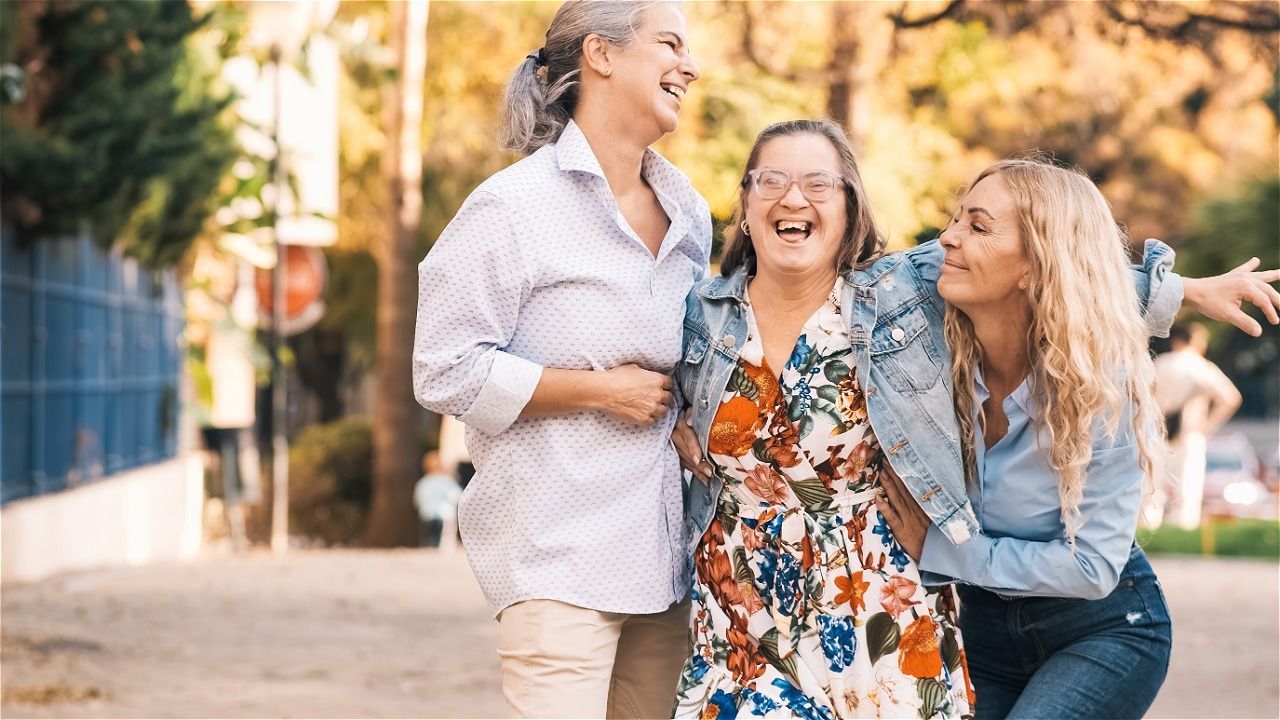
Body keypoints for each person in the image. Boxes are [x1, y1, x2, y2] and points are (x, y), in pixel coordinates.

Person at [671, 122, 1280, 719]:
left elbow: (1072, 263)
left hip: (1087, 623)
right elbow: (643, 363)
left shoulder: (1086, 380)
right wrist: (671, 415)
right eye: (770, 179)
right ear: (745, 201)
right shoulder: (928, 336)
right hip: (944, 620)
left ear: (852, 209)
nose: (948, 238)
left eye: (818, 183)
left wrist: (1184, 291)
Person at [872, 158, 1275, 719]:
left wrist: (940, 549)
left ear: (1034, 267)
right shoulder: (932, 351)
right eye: (956, 218)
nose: (948, 237)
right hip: (984, 633)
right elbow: (888, 275)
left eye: (978, 226)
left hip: (1104, 632)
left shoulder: (1103, 388)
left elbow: (1090, 568)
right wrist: (1179, 291)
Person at [412, 2, 707, 717]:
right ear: (601, 55)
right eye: (669, 43)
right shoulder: (512, 207)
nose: (689, 66)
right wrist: (597, 391)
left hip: (668, 562)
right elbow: (442, 367)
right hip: (556, 555)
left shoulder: (689, 210)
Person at [1150, 320, 1242, 528]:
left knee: (1151, 488)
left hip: (1156, 431)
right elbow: (1230, 398)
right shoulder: (1201, 367)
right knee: (1187, 489)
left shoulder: (1162, 363)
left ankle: (1148, 528)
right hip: (1190, 432)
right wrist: (1206, 427)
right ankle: (1183, 528)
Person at [414, 451, 462, 552]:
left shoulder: (422, 482)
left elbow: (418, 500)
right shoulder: (446, 481)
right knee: (443, 542)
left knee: (427, 541)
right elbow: (456, 497)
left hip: (426, 515)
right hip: (444, 515)